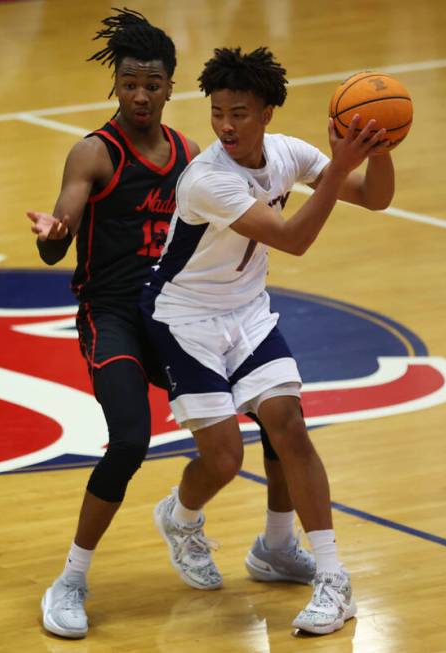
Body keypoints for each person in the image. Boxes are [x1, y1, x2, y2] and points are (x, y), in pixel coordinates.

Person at [28, 12, 317, 640]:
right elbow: (61, 229)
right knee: (130, 440)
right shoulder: (95, 152)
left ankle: (276, 544)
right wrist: (55, 235)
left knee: (275, 410)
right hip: (114, 318)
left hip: (176, 311)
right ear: (117, 84)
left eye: (151, 84)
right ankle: (72, 578)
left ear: (169, 87)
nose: (139, 94)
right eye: (128, 82)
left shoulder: (193, 155)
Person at [140, 46, 395, 636]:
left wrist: (378, 152)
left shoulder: (286, 154)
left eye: (240, 113)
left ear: (268, 114)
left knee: (289, 424)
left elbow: (376, 198)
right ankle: (181, 517)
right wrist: (335, 169)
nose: (226, 125)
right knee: (225, 458)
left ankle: (331, 577)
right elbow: (294, 239)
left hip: (248, 312)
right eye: (218, 112)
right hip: (186, 318)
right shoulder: (208, 179)